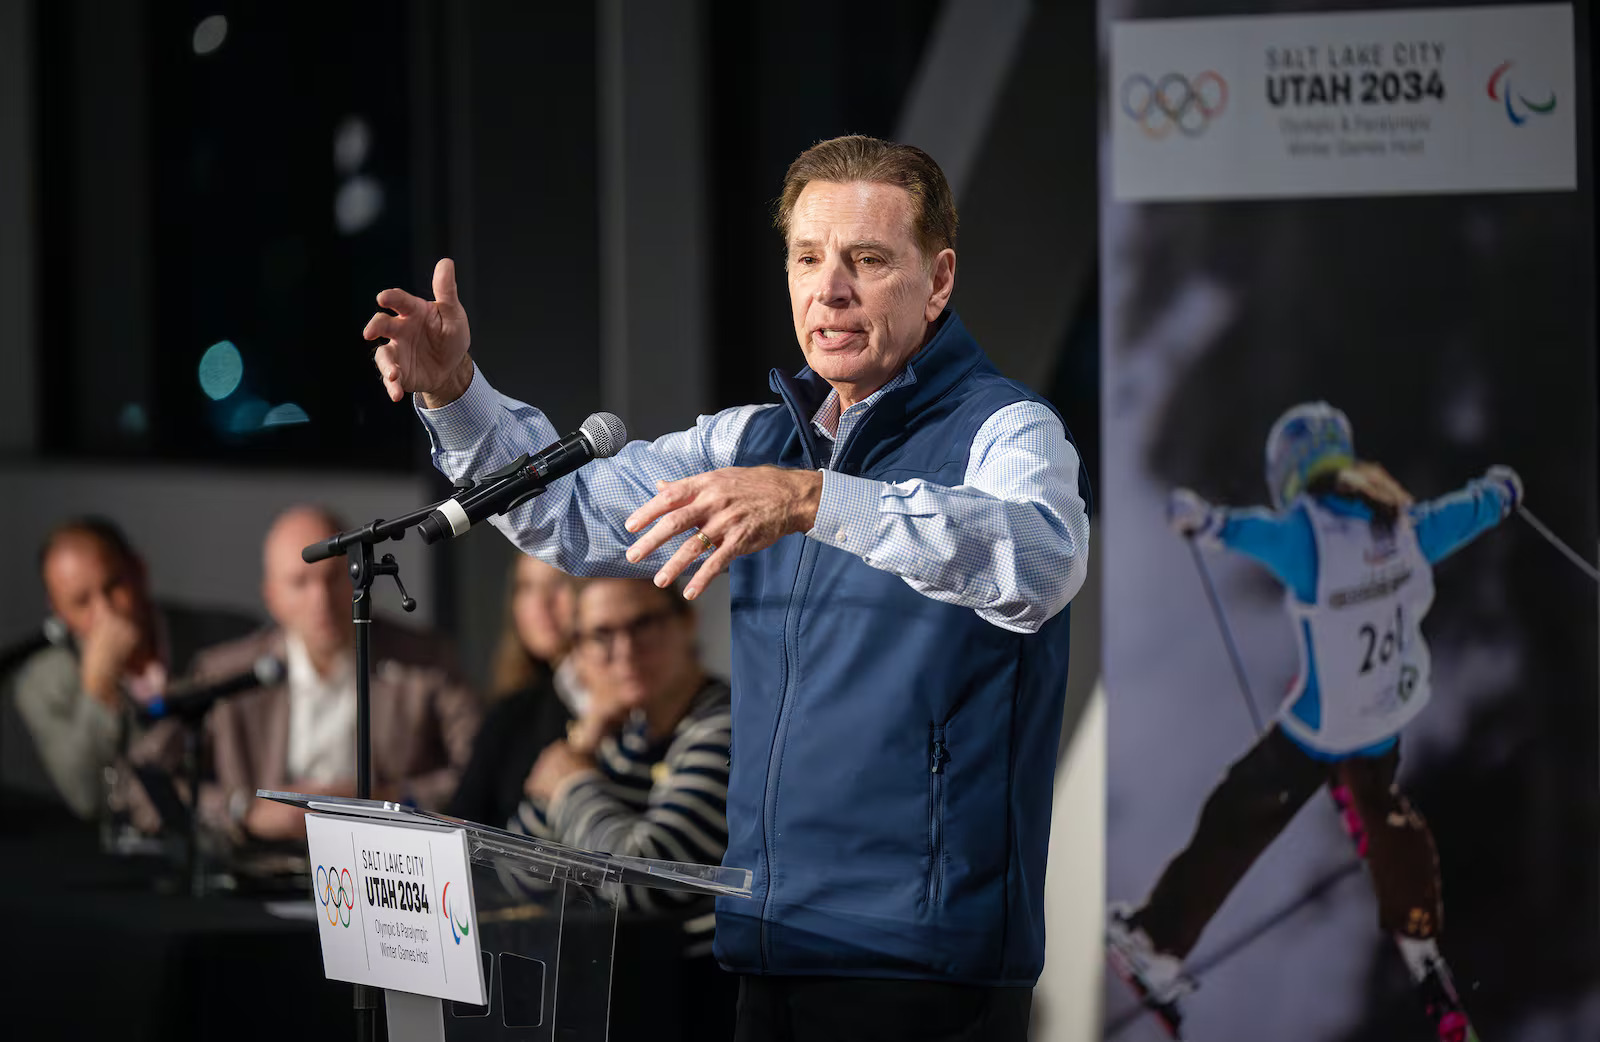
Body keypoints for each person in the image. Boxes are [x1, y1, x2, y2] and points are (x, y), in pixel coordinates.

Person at [364, 135, 1091, 1040]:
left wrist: (817, 500)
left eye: (868, 261)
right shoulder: (753, 443)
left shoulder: (1009, 429)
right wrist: (457, 398)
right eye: (808, 258)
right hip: (767, 942)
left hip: (919, 956)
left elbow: (1043, 561)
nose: (830, 289)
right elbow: (579, 514)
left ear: (938, 280)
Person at [1105, 402, 1520, 1042]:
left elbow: (1246, 532)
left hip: (1323, 728)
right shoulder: (1401, 525)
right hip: (1387, 715)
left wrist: (1203, 520)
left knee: (1237, 812)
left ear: (1290, 473)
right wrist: (1498, 494)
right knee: (1385, 810)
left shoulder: (1307, 537)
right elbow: (1460, 516)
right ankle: (1420, 941)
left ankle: (1154, 941)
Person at [182, 505, 481, 841]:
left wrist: (393, 798)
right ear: (272, 597)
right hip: (263, 867)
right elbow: (150, 779)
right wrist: (241, 811)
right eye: (301, 582)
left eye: (333, 578)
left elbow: (479, 770)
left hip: (384, 861)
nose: (320, 599)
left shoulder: (424, 661)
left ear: (361, 575)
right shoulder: (226, 672)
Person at [5, 517, 256, 819]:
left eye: (114, 586)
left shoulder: (230, 638)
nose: (106, 612)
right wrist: (97, 694)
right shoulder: (42, 683)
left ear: (139, 571)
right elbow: (88, 799)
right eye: (81, 601)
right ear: (59, 613)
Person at [447, 555, 583, 827]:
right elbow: (464, 819)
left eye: (558, 584)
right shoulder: (509, 712)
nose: (541, 604)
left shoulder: (621, 699)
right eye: (526, 587)